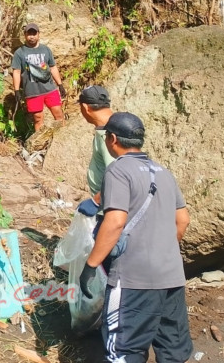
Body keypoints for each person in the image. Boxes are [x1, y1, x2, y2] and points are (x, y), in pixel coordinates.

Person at [79, 113, 192, 363]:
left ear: (112, 138)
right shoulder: (163, 172)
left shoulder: (118, 170)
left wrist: (91, 265)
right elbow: (182, 220)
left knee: (123, 349)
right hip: (172, 275)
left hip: (134, 279)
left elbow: (116, 221)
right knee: (172, 348)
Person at [11, 23, 66, 131]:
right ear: (25, 35)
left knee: (58, 114)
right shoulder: (20, 53)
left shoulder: (46, 50)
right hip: (32, 92)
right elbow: (16, 72)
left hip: (49, 89)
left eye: (34, 33)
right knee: (38, 119)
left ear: (38, 34)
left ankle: (62, 141)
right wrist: (16, 90)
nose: (31, 36)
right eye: (29, 34)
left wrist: (60, 84)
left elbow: (53, 67)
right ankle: (40, 145)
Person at [75, 86, 115, 217]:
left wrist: (95, 202)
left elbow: (119, 177)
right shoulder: (109, 128)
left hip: (110, 210)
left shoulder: (108, 136)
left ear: (86, 107)